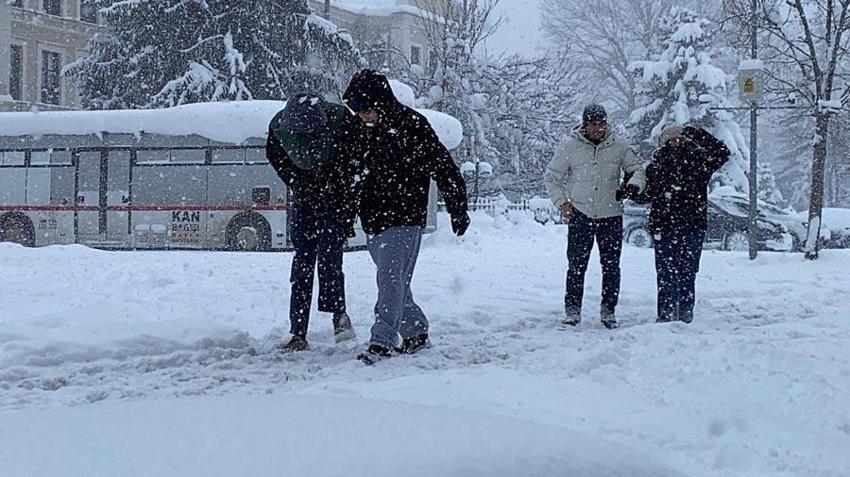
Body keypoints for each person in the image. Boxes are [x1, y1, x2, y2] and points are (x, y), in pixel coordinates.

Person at [342, 69, 470, 365]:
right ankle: (415, 331)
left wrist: (457, 207)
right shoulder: (362, 131)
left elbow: (444, 167)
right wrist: (347, 214)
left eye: (365, 107)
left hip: (404, 217)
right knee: (397, 281)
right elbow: (352, 176)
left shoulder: (412, 126)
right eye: (356, 109)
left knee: (389, 280)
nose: (361, 114)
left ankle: (382, 340)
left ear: (380, 101)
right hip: (373, 219)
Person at [266, 92, 361, 352]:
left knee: (330, 257)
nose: (308, 139)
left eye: (313, 134)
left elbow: (357, 156)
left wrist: (340, 184)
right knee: (303, 264)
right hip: (306, 200)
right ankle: (298, 331)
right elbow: (278, 159)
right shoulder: (279, 128)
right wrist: (299, 182)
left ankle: (338, 315)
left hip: (336, 198)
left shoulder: (342, 120)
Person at [544, 104, 646, 329]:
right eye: (594, 124)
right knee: (576, 266)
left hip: (611, 214)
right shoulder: (570, 147)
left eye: (602, 124)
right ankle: (572, 310)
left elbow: (638, 169)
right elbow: (552, 177)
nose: (599, 128)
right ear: (585, 125)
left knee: (611, 266)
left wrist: (632, 187)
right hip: (581, 213)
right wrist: (562, 202)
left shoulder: (620, 146)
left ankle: (609, 310)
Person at [638, 123, 730, 323]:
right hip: (663, 226)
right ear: (664, 142)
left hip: (692, 225)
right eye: (671, 139)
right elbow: (647, 194)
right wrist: (629, 191)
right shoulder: (656, 165)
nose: (676, 142)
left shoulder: (698, 161)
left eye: (680, 138)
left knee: (687, 272)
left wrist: (697, 132)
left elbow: (722, 152)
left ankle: (685, 314)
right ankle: (666, 315)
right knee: (665, 273)